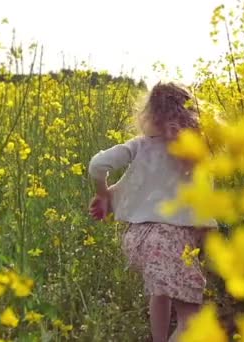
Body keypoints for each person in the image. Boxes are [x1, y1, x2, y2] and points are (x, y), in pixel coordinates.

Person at [87, 82, 217, 342]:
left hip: (137, 240)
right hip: (170, 242)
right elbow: (204, 209)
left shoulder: (140, 145)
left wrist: (103, 193)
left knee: (161, 292)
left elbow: (97, 164)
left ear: (150, 114)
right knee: (191, 321)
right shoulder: (196, 156)